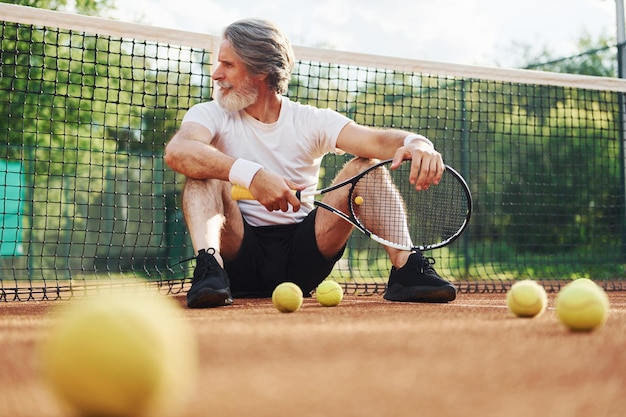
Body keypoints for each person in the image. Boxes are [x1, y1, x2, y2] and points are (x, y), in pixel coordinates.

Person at [164, 18, 457, 308]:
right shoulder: (209, 114)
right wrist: (252, 176)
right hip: (236, 253)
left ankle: (407, 268)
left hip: (304, 258)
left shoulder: (309, 120)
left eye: (227, 64)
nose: (216, 74)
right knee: (201, 170)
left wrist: (418, 143)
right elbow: (179, 150)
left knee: (363, 167)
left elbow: (377, 142)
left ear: (261, 70)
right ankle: (208, 267)